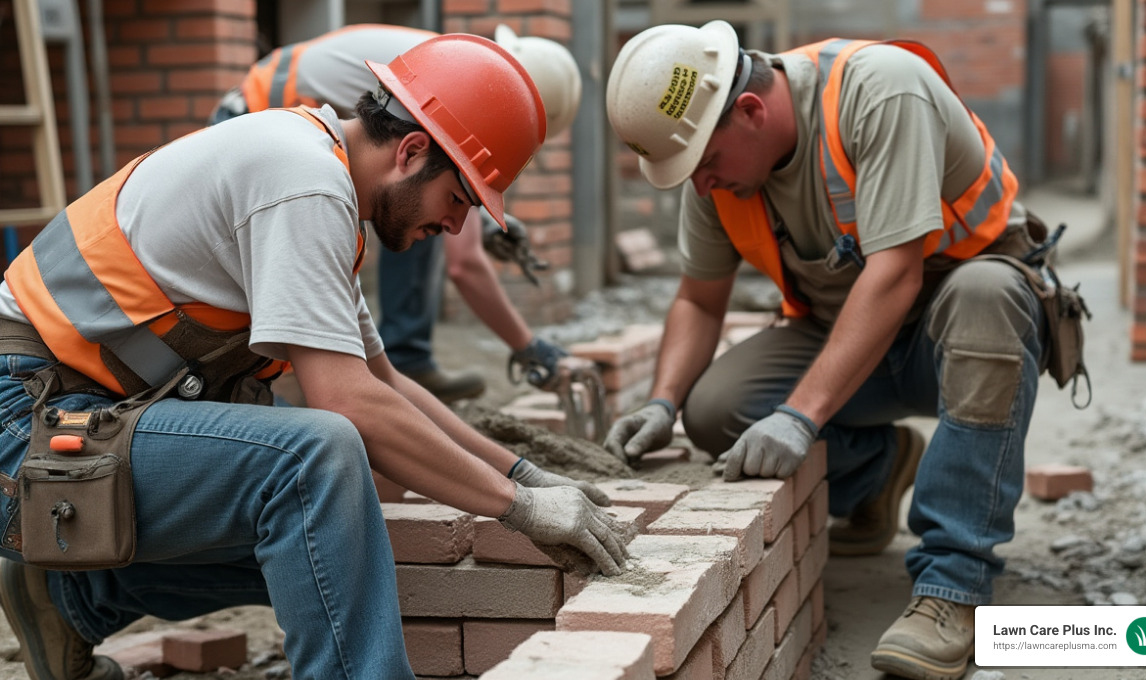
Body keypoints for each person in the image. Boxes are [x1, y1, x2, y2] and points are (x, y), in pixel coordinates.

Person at [0, 34, 625, 680]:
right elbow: (346, 404)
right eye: (459, 201)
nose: (457, 228)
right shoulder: (304, 183)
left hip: (82, 411)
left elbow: (386, 385)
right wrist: (516, 509)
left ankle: (71, 596)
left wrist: (526, 477)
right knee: (316, 460)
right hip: (24, 423)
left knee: (348, 521)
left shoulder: (319, 178)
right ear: (412, 152)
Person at [603, 21, 1057, 680]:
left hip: (962, 329)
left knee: (987, 294)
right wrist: (662, 402)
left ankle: (952, 586)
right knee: (718, 409)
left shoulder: (878, 91)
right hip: (853, 334)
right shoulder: (718, 162)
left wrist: (800, 416)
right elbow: (700, 300)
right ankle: (878, 470)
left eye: (705, 167)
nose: (701, 187)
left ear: (751, 111)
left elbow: (896, 274)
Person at [211, 23, 581, 402]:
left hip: (289, 122)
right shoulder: (451, 80)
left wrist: (482, 221)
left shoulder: (451, 66)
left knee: (418, 209)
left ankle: (400, 361)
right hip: (255, 117)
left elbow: (427, 163)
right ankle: (330, 382)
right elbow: (464, 263)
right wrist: (529, 347)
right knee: (412, 205)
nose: (456, 226)